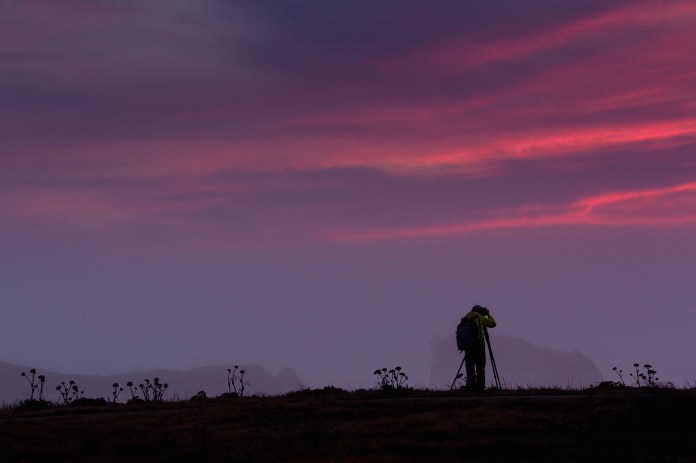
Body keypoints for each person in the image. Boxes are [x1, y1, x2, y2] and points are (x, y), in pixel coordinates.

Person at [463, 304, 496, 391]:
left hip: (468, 346)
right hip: (479, 345)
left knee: (469, 366)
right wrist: (488, 314)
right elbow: (493, 324)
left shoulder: (466, 317)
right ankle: (480, 387)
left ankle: (472, 386)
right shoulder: (479, 318)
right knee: (480, 366)